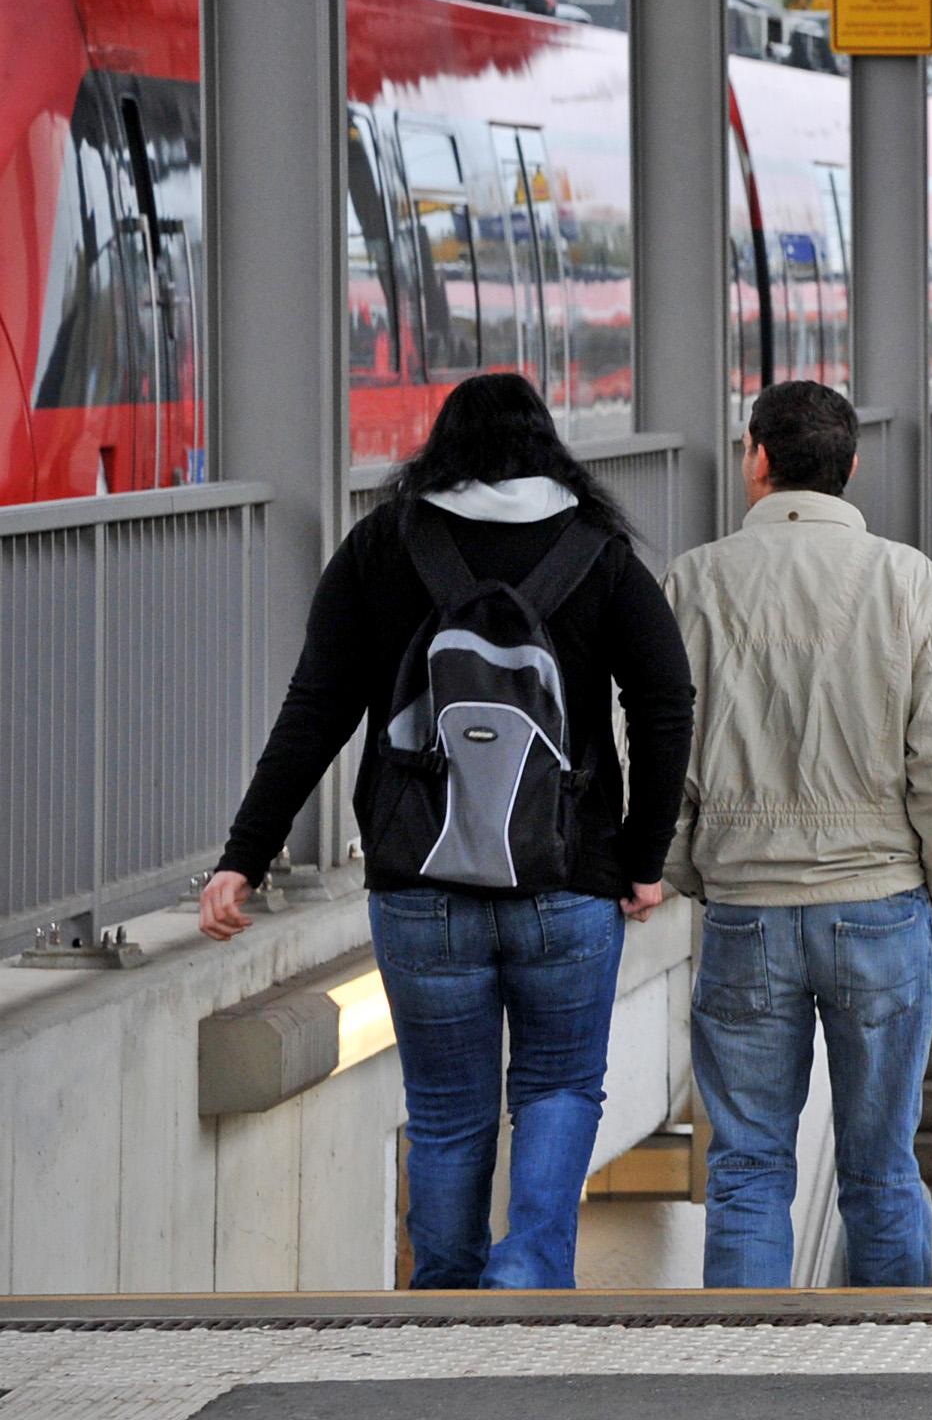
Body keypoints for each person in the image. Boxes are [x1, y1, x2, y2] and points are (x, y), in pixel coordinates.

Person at [198, 372, 695, 1291]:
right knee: (558, 1088)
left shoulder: (384, 544)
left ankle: (444, 1298)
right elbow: (665, 702)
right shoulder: (597, 551)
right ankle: (528, 1273)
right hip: (566, 879)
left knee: (445, 1112)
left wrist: (245, 856)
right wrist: (641, 856)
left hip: (420, 884)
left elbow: (317, 708)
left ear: (442, 447)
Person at [660, 380, 932, 1289]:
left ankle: (749, 1356)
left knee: (746, 1168)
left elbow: (652, 747)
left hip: (744, 908)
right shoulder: (910, 581)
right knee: (881, 1169)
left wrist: (691, 866)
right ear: (850, 467)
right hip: (879, 904)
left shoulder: (694, 581)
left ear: (757, 459)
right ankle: (894, 1349)